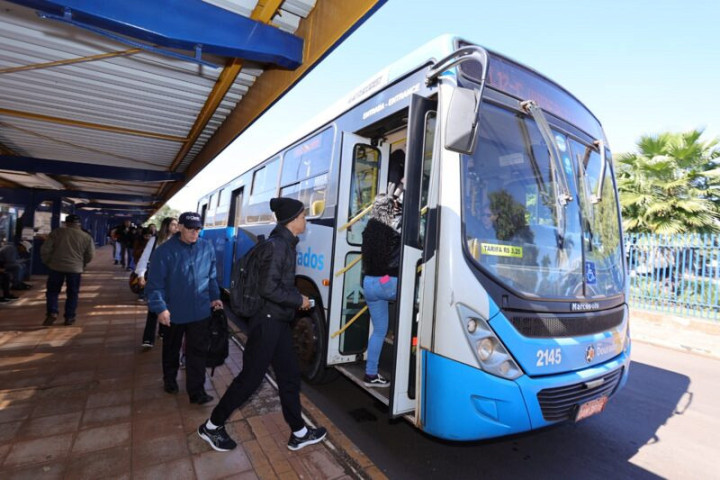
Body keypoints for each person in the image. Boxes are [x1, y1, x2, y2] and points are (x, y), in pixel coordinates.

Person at [198, 197, 327, 453]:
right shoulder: (279, 247)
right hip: (268, 322)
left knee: (289, 375)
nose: (305, 220)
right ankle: (212, 426)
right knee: (250, 379)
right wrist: (298, 300)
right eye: (303, 216)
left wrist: (294, 299)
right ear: (292, 221)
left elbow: (275, 285)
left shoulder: (284, 244)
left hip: (277, 321)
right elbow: (268, 288)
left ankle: (299, 432)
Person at [145, 212, 222, 404]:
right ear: (179, 227)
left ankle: (197, 392)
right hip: (174, 313)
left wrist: (215, 297)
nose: (195, 233)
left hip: (200, 312)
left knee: (198, 352)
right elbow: (154, 285)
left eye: (198, 229)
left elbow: (212, 276)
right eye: (190, 228)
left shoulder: (206, 247)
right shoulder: (163, 252)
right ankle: (170, 379)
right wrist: (160, 308)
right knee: (171, 349)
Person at [361, 194, 401, 388]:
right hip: (386, 281)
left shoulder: (368, 231)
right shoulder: (393, 230)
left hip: (368, 283)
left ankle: (371, 374)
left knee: (378, 331)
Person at [40, 214, 95, 326]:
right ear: (79, 224)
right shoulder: (86, 236)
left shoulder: (56, 233)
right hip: (75, 269)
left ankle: (52, 312)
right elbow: (90, 255)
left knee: (52, 291)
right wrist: (82, 263)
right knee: (72, 293)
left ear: (66, 223)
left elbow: (45, 249)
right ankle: (69, 317)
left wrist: (48, 262)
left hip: (56, 267)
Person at [137, 217, 178, 347]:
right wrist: (141, 274)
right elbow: (145, 257)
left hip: (171, 278)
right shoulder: (155, 240)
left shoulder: (178, 241)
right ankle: (148, 338)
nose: (176, 227)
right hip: (156, 277)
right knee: (153, 306)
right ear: (166, 226)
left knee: (167, 306)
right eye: (173, 224)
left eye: (177, 225)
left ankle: (163, 331)